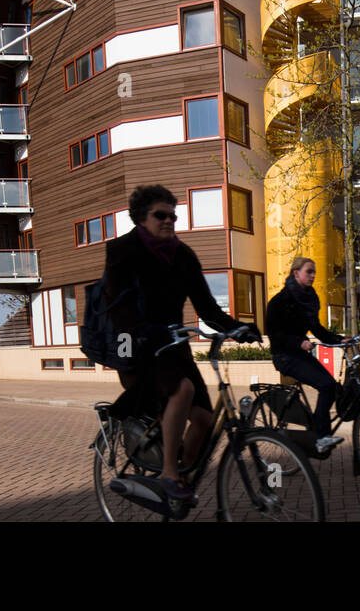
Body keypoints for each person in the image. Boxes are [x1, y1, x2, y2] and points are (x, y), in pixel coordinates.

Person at [103, 184, 259, 501]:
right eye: (161, 215)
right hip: (134, 346)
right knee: (183, 390)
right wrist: (138, 332)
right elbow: (116, 305)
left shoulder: (183, 255)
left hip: (172, 347)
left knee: (203, 419)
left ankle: (182, 480)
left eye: (173, 216)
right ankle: (168, 476)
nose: (169, 221)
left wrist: (238, 328)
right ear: (141, 218)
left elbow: (207, 308)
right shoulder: (123, 251)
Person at [265, 257, 348, 453]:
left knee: (332, 387)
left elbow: (316, 328)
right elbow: (274, 334)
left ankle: (316, 429)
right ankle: (321, 437)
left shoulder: (309, 299)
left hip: (299, 354)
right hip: (285, 355)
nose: (313, 275)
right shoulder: (280, 301)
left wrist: (338, 339)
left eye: (314, 272)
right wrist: (298, 342)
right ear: (296, 273)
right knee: (326, 385)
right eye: (309, 271)